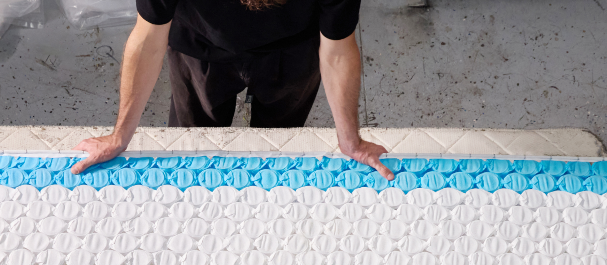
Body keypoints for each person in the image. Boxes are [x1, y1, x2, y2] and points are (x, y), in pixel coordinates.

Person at [70, 0, 394, 179]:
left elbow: (337, 51)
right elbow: (149, 38)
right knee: (192, 136)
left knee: (277, 145)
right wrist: (120, 136)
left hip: (293, 51)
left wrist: (350, 140)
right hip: (200, 46)